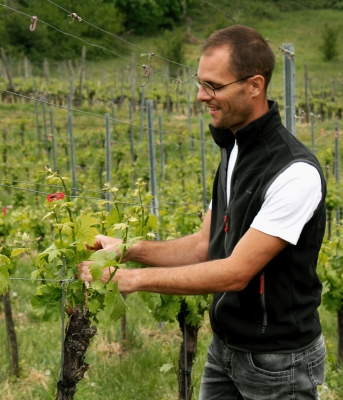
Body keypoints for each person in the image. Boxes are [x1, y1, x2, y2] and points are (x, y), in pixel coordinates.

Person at [78, 25, 326, 399]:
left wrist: (132, 279)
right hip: (225, 350)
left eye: (213, 85)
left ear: (254, 85)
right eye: (200, 82)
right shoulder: (235, 152)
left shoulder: (294, 173)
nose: (200, 96)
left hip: (279, 363)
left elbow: (235, 272)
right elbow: (203, 246)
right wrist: (127, 249)